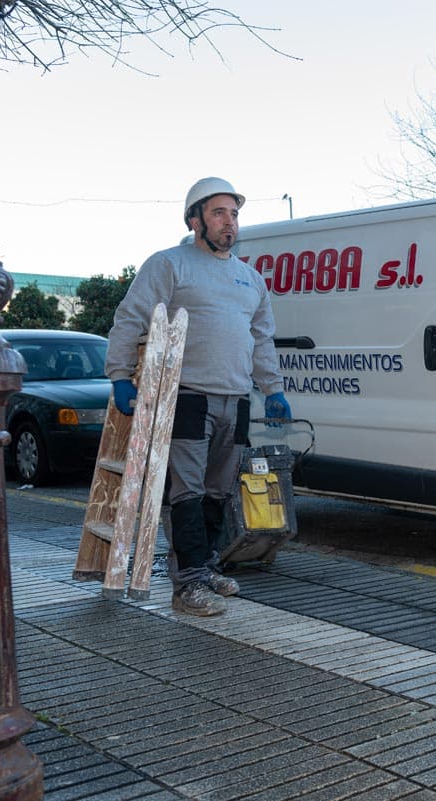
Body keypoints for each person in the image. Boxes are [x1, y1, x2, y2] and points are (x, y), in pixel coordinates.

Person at [105, 177, 292, 616]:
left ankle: (205, 568)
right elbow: (130, 317)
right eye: (219, 213)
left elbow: (261, 338)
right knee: (186, 492)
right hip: (186, 395)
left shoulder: (250, 279)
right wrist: (118, 375)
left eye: (234, 214)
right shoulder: (170, 264)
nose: (230, 223)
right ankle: (186, 586)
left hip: (237, 399)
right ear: (195, 220)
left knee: (218, 492)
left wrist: (274, 389)